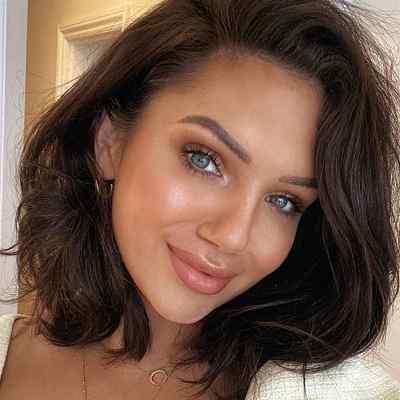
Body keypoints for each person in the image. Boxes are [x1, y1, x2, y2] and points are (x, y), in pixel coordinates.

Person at [0, 0, 400, 398]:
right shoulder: (10, 353)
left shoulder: (319, 390)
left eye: (283, 201)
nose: (233, 236)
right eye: (204, 160)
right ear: (111, 142)